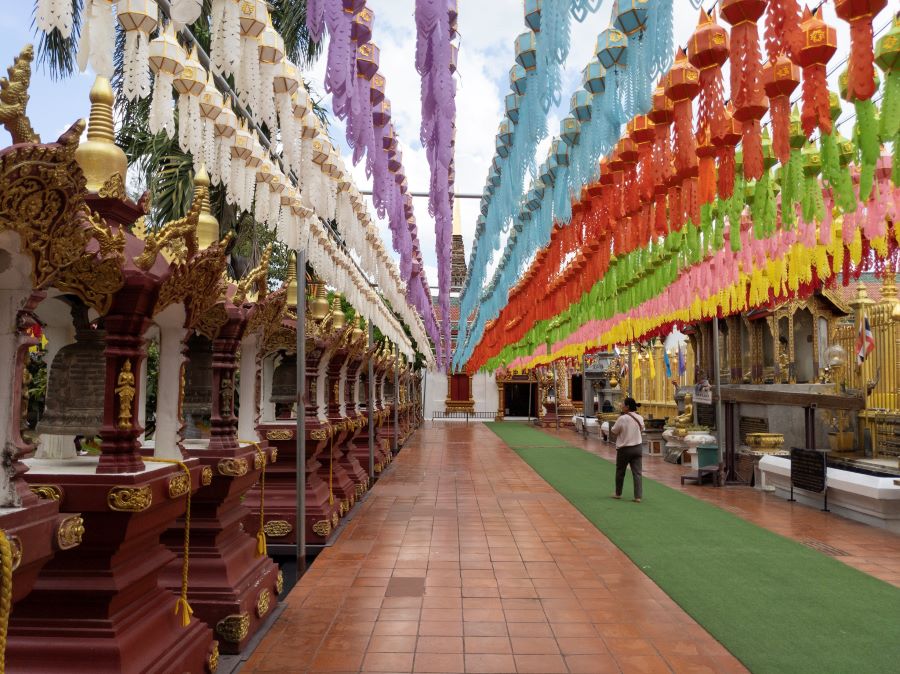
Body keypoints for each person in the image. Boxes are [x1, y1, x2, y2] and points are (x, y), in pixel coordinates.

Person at [610, 397, 644, 503]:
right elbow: (642, 428)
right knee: (637, 473)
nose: (621, 405)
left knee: (620, 471)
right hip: (637, 447)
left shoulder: (622, 418)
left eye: (623, 404)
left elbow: (614, 431)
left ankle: (618, 493)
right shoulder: (640, 417)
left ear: (627, 407)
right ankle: (638, 496)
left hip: (624, 449)